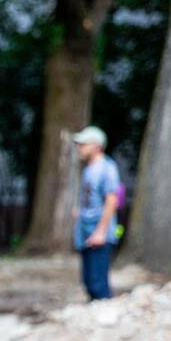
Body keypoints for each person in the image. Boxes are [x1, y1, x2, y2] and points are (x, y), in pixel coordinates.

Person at [72, 126, 122, 300]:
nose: (80, 148)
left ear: (96, 145)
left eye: (84, 144)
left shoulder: (107, 168)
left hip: (99, 232)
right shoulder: (88, 169)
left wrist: (100, 232)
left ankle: (105, 316)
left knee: (98, 283)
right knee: (88, 281)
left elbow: (112, 200)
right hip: (86, 230)